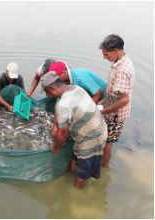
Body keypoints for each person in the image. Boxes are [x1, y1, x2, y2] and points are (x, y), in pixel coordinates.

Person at [40, 71, 107, 189]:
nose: (48, 95)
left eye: (46, 92)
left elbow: (63, 134)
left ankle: (77, 192)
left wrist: (56, 148)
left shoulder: (63, 105)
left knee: (83, 171)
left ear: (52, 89)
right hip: (96, 126)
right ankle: (71, 178)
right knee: (75, 160)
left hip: (93, 137)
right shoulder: (76, 88)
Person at [98, 34, 135, 167]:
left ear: (115, 51)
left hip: (115, 115)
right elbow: (115, 90)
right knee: (105, 139)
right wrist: (102, 102)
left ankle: (104, 167)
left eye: (106, 54)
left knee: (108, 142)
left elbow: (124, 100)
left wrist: (104, 111)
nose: (105, 57)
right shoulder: (120, 62)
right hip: (110, 109)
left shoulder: (122, 70)